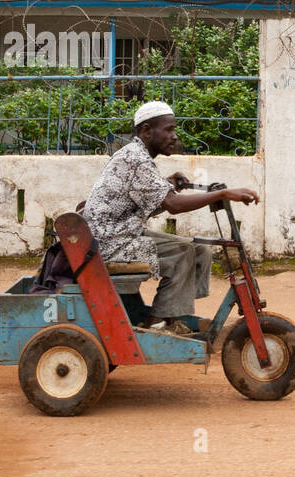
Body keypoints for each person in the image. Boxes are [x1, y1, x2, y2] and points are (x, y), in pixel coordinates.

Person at [80, 101, 259, 333]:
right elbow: (173, 205)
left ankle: (175, 313)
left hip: (119, 236)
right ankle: (158, 322)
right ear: (146, 131)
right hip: (109, 244)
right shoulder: (136, 159)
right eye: (168, 130)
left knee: (199, 249)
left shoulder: (137, 156)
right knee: (183, 253)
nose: (174, 136)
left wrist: (168, 185)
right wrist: (223, 194)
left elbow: (150, 202)